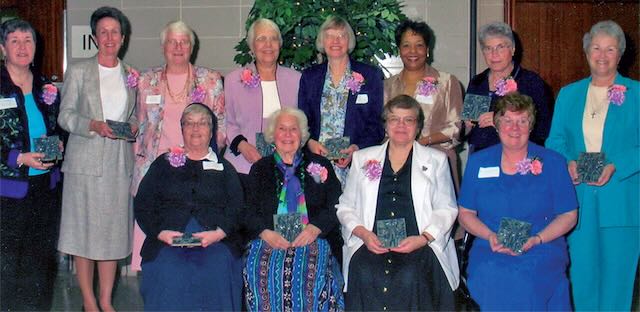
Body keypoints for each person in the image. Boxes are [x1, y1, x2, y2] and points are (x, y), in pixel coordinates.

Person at [546, 20, 639, 311]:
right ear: (586, 53)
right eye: (596, 48)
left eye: (610, 49)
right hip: (579, 201)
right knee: (581, 280)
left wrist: (617, 165)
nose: (602, 55)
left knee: (617, 283)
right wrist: (569, 163)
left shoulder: (636, 93)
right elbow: (555, 140)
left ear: (619, 54)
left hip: (621, 201)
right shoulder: (569, 94)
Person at [337, 95, 459, 311]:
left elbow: (446, 209)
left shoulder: (436, 160)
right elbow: (345, 207)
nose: (401, 125)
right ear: (386, 125)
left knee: (410, 275)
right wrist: (364, 234)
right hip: (370, 241)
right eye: (394, 119)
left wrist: (423, 239)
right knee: (364, 272)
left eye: (408, 120)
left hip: (419, 241)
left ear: (418, 126)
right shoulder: (363, 158)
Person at [458, 93, 578, 310]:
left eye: (522, 121)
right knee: (487, 275)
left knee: (527, 281)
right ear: (496, 125)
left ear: (531, 126)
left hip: (542, 247)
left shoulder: (552, 162)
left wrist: (538, 239)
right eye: (507, 121)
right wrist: (490, 235)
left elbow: (569, 215)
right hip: (490, 246)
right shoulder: (478, 162)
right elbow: (465, 213)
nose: (515, 128)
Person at [57, 7, 137, 312]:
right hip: (84, 163)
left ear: (123, 38)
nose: (109, 37)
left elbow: (134, 118)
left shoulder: (131, 75)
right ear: (94, 37)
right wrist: (92, 125)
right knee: (83, 232)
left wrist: (132, 127)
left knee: (111, 235)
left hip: (118, 163)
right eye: (102, 32)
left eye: (114, 32)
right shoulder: (79, 71)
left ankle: (106, 300)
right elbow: (65, 116)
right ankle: (89, 302)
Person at [131, 20, 226, 271]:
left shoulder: (210, 80)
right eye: (172, 41)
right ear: (163, 47)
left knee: (193, 244)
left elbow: (221, 127)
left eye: (184, 42)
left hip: (195, 169)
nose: (178, 47)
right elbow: (138, 123)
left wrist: (205, 159)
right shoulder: (145, 80)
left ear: (192, 47)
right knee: (155, 242)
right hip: (155, 169)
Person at [135, 103, 243, 311]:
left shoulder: (224, 168)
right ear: (181, 128)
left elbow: (237, 206)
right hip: (168, 239)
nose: (195, 129)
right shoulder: (163, 164)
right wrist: (160, 233)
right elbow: (143, 204)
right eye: (189, 123)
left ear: (211, 131)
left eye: (202, 123)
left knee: (217, 266)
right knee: (168, 270)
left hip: (215, 239)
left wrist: (220, 233)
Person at [243, 107, 344, 311]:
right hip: (270, 240)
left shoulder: (320, 165)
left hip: (314, 238)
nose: (288, 135)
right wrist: (265, 233)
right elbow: (246, 210)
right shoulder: (260, 169)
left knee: (309, 274)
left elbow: (336, 203)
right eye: (282, 129)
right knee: (264, 271)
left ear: (303, 134)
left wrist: (315, 228)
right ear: (273, 134)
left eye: (293, 129)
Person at [0, 18, 63, 311]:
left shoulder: (46, 89)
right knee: (9, 263)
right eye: (15, 41)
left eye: (28, 41)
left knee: (41, 263)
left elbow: (55, 130)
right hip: (8, 192)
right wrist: (18, 158)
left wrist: (60, 145)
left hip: (45, 189)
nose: (22, 47)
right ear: (3, 48)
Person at [298, 16, 384, 186]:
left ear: (349, 40)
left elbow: (377, 125)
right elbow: (301, 121)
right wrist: (309, 143)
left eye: (341, 36)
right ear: (322, 41)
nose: (335, 41)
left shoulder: (370, 75)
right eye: (330, 35)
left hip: (356, 164)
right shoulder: (309, 77)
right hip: (317, 162)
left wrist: (356, 149)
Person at [384, 19, 463, 192]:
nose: (413, 51)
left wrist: (421, 142)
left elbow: (456, 127)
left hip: (437, 163)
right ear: (399, 50)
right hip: (396, 164)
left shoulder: (446, 82)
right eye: (406, 45)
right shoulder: (387, 85)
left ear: (427, 50)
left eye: (419, 45)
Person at [224, 18, 301, 187]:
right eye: (261, 39)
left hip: (286, 166)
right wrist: (242, 146)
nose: (268, 44)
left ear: (279, 45)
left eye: (273, 39)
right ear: (252, 46)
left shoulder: (296, 80)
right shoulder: (233, 80)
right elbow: (226, 121)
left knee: (283, 212)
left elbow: (303, 123)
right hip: (243, 166)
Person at [465, 21, 551, 153]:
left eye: (500, 47)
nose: (494, 54)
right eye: (488, 48)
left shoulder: (530, 82)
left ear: (513, 49)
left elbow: (542, 129)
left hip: (518, 156)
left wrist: (501, 121)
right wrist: (465, 127)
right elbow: (469, 132)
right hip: (480, 156)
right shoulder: (477, 81)